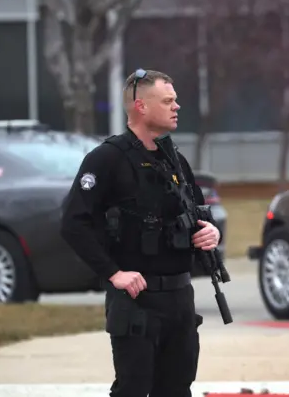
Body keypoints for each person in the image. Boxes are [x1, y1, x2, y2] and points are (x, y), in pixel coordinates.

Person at [60, 69, 221, 397]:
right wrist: (113, 273)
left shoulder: (174, 160)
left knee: (177, 390)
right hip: (136, 301)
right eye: (167, 101)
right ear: (140, 106)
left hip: (179, 298)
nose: (176, 107)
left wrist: (209, 233)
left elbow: (196, 214)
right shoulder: (107, 159)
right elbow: (73, 223)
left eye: (175, 100)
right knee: (133, 390)